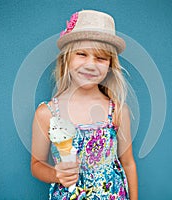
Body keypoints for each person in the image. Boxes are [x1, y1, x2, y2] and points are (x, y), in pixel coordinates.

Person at [31, 10, 138, 199]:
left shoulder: (117, 111)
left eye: (101, 58)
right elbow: (37, 164)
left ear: (110, 65)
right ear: (67, 58)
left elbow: (128, 163)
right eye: (81, 54)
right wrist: (58, 174)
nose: (90, 65)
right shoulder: (47, 113)